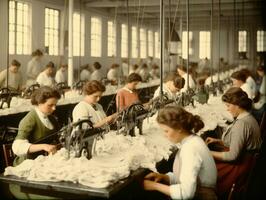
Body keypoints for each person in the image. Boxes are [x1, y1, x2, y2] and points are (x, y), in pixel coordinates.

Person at [143, 106, 217, 200]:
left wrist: (154, 186)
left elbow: (186, 193)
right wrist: (164, 177)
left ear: (179, 128)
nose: (164, 135)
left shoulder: (190, 149)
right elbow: (187, 177)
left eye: (166, 131)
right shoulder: (193, 140)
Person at [205, 87, 261, 197]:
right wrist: (218, 141)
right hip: (245, 160)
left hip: (241, 166)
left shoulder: (242, 124)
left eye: (228, 106)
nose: (227, 109)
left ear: (237, 105)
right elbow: (239, 142)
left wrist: (207, 153)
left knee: (206, 174)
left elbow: (232, 156)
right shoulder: (247, 117)